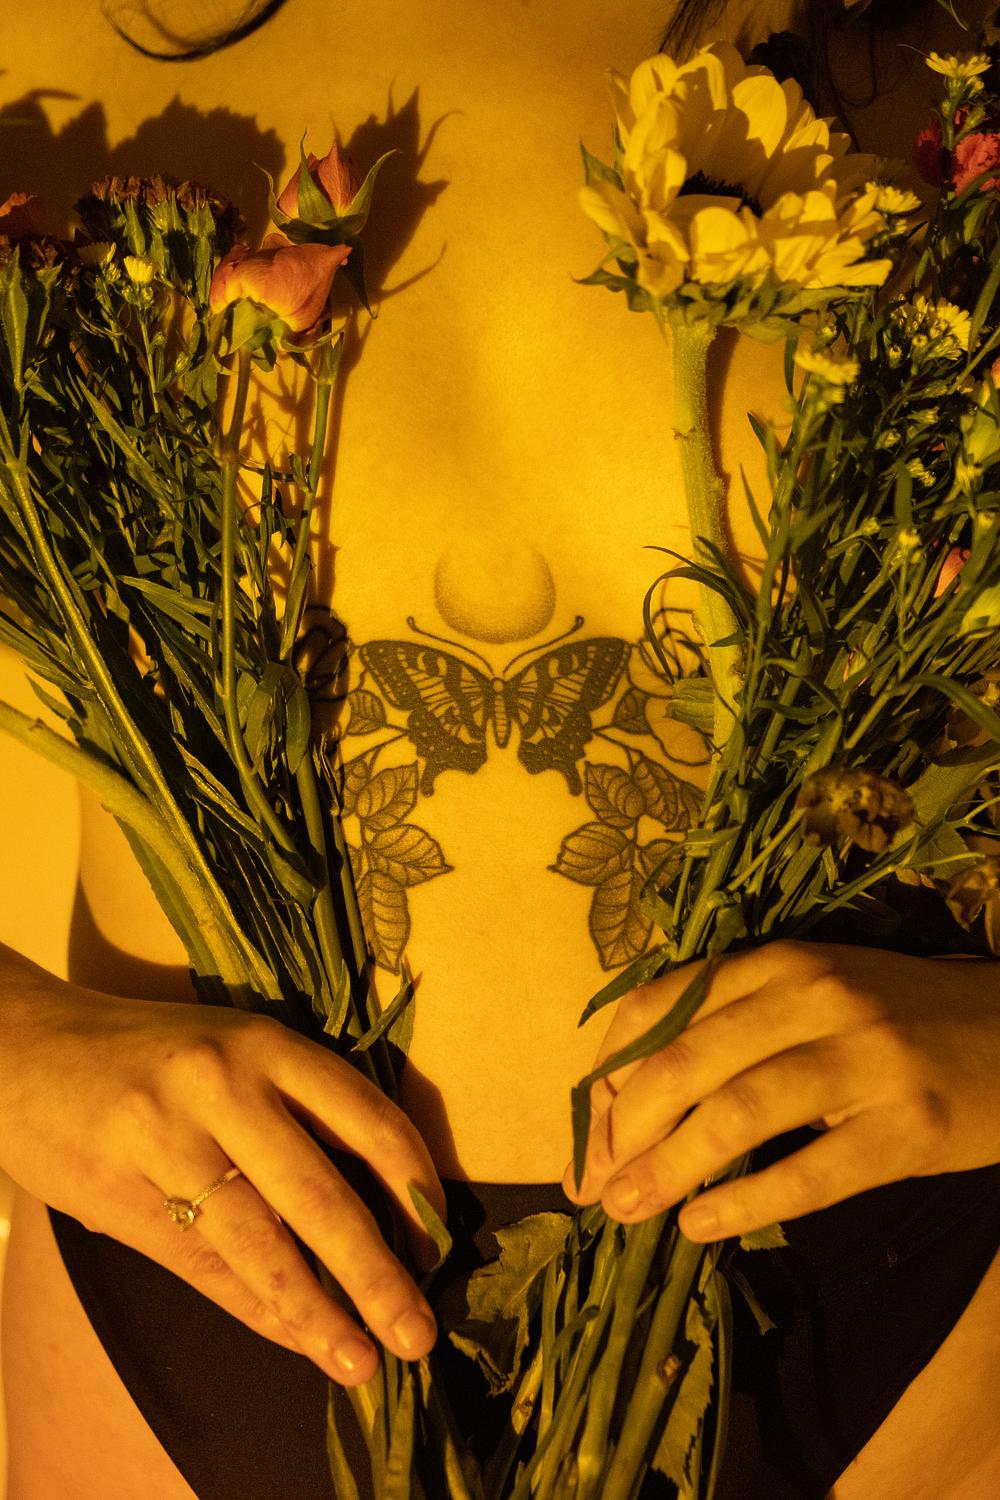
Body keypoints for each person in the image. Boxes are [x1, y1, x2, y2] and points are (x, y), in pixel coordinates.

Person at [1, 0, 999, 1496]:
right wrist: (13, 1054)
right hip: (198, 1247)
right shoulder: (43, 35)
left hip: (870, 1239)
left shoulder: (931, 40)